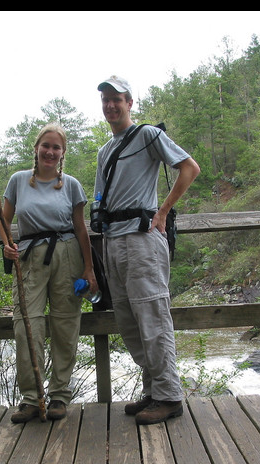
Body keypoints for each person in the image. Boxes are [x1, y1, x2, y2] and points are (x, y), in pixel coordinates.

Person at [95, 76, 200, 425]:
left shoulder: (148, 136)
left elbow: (189, 168)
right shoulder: (105, 151)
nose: (111, 105)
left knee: (152, 317)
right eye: (106, 100)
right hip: (112, 241)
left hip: (142, 240)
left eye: (117, 99)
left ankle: (169, 396)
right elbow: (99, 200)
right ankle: (153, 390)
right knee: (128, 322)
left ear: (129, 103)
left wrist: (163, 211)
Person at [0, 124, 97, 423]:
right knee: (26, 323)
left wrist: (89, 268)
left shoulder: (71, 185)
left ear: (62, 153)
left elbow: (81, 229)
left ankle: (59, 395)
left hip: (67, 253)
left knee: (66, 324)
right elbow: (5, 223)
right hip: (28, 258)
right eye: (46, 146)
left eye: (57, 148)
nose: (50, 152)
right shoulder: (18, 181)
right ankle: (31, 398)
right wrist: (7, 246)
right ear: (36, 148)